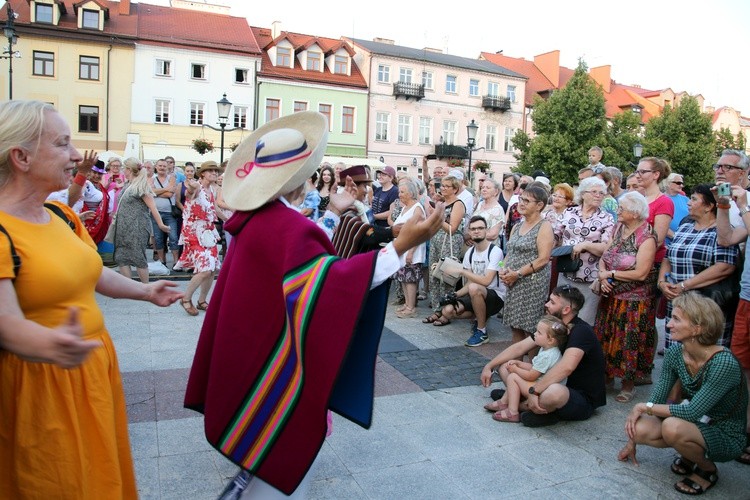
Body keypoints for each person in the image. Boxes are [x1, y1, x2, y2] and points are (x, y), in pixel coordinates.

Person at [183, 111, 443, 497]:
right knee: (280, 459)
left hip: (250, 344)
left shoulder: (256, 218)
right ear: (304, 178)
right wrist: (400, 247)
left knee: (260, 458)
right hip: (276, 356)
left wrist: (334, 212)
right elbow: (327, 283)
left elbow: (302, 262)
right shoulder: (286, 225)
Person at [0, 100, 183, 498]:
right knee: (58, 480)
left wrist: (146, 291)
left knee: (98, 471)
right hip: (42, 380)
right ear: (21, 157)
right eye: (62, 144)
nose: (75, 156)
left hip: (90, 367)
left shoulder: (60, 216)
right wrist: (53, 345)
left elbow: (94, 271)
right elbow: (7, 324)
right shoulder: (2, 231)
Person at [618, 293, 748, 496]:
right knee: (641, 428)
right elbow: (657, 399)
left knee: (672, 427)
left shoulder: (723, 362)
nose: (668, 325)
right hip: (696, 422)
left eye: (677, 319)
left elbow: (692, 412)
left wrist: (643, 406)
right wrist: (631, 441)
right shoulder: (676, 353)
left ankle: (707, 469)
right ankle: (690, 454)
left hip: (725, 432)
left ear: (698, 328)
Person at [481, 285, 606, 427]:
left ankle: (518, 405)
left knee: (554, 392)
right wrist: (489, 366)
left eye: (552, 302)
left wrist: (536, 390)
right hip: (549, 383)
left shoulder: (581, 331)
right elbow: (520, 347)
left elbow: (566, 368)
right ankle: (522, 403)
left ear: (566, 310)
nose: (546, 305)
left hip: (577, 396)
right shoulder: (553, 326)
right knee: (507, 366)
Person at [594, 191, 657, 402]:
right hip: (610, 295)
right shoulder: (618, 228)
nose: (618, 211)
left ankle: (628, 384)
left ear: (636, 213)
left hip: (633, 301)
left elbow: (641, 273)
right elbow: (605, 256)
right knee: (607, 336)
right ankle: (606, 376)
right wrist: (603, 277)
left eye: (622, 208)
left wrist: (610, 274)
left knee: (628, 341)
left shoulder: (646, 237)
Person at [660, 184, 739, 348]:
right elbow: (668, 257)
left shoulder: (721, 231)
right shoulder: (684, 227)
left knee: (703, 355)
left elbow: (725, 267)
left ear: (709, 206)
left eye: (694, 199)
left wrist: (684, 285)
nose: (688, 202)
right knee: (676, 354)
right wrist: (662, 282)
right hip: (677, 302)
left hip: (705, 306)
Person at [715, 149, 750, 466]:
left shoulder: (748, 200)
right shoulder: (736, 202)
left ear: (744, 172)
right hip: (746, 296)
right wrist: (724, 207)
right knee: (741, 367)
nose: (720, 170)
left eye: (728, 167)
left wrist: (743, 203)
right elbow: (726, 239)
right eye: (719, 165)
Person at [435, 215, 506, 346]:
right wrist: (455, 295)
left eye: (480, 228)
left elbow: (486, 281)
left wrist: (462, 271)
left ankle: (481, 330)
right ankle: (480, 317)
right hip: (476, 294)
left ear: (486, 230)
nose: (476, 231)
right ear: (469, 232)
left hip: (495, 297)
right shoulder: (470, 253)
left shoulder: (495, 251)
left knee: (475, 288)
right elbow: (469, 283)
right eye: (473, 229)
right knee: (448, 311)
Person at [553, 177, 615, 324]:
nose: (598, 195)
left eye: (601, 193)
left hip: (590, 278)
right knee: (561, 317)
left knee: (584, 321)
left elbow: (607, 248)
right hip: (566, 272)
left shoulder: (607, 218)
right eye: (594, 192)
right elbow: (554, 237)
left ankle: (578, 346)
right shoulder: (569, 213)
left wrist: (586, 245)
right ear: (583, 194)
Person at [485, 315, 568, 422]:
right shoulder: (548, 349)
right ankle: (505, 402)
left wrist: (515, 370)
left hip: (543, 391)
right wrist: (519, 363)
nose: (535, 334)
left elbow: (531, 375)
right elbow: (535, 367)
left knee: (513, 377)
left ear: (550, 340)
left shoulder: (547, 355)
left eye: (539, 333)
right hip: (542, 386)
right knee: (515, 375)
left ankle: (512, 411)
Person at [499, 184, 553, 343]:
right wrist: (502, 269)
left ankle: (531, 365)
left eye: (527, 201)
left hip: (531, 283)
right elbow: (509, 252)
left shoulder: (544, 227)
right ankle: (516, 362)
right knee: (514, 325)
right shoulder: (517, 226)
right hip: (513, 281)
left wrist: (518, 274)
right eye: (521, 199)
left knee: (530, 329)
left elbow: (543, 259)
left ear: (539, 206)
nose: (521, 203)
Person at [175, 162, 223, 315]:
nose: (214, 173)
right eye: (211, 171)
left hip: (209, 232)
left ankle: (202, 301)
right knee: (205, 269)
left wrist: (230, 221)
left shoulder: (212, 190)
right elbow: (190, 194)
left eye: (216, 171)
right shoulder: (197, 187)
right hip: (194, 232)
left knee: (212, 269)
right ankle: (186, 298)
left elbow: (215, 208)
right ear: (202, 173)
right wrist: (192, 187)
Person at [113, 157, 170, 283]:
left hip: (137, 227)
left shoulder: (142, 186)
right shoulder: (128, 184)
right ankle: (128, 287)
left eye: (124, 167)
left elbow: (153, 207)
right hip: (123, 227)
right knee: (121, 257)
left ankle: (146, 287)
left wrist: (161, 225)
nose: (122, 170)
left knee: (138, 257)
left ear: (129, 169)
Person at [424, 175, 466, 320]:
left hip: (449, 241)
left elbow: (452, 228)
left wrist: (437, 215)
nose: (442, 188)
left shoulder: (458, 204)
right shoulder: (441, 202)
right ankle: (437, 308)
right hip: (436, 239)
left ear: (455, 189)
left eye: (447, 186)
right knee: (434, 273)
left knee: (446, 276)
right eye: (442, 185)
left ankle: (446, 310)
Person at [392, 177, 426, 318]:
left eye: (402, 192)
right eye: (399, 192)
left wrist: (411, 252)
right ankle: (407, 304)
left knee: (410, 278)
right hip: (402, 248)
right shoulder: (405, 207)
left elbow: (419, 232)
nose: (399, 194)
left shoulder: (417, 208)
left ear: (411, 193)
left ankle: (411, 308)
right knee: (404, 277)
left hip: (412, 249)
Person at [149, 158, 180, 266]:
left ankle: (176, 261)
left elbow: (170, 194)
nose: (162, 168)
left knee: (173, 237)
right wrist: (165, 189)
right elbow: (150, 192)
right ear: (156, 167)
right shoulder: (152, 179)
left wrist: (156, 192)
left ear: (167, 168)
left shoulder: (172, 178)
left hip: (169, 213)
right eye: (160, 166)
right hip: (155, 213)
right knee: (158, 238)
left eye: (164, 166)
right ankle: (162, 261)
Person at [471, 177, 505, 244]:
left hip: (488, 248)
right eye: (483, 187)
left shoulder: (497, 209)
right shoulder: (478, 205)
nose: (484, 190)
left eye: (488, 188)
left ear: (496, 192)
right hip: (474, 246)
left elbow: (493, 235)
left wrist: (473, 235)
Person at [664, 172, 689, 246]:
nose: (681, 185)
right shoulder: (661, 199)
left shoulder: (686, 200)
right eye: (678, 183)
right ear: (668, 183)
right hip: (667, 244)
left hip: (686, 241)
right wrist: (675, 237)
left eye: (682, 183)